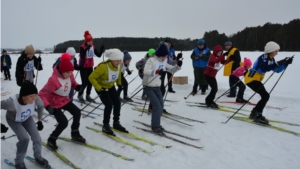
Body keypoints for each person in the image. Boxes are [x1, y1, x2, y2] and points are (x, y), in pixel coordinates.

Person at [39, 53, 85, 151]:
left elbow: (72, 83)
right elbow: (42, 94)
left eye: (71, 72)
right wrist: (47, 107)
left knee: (77, 112)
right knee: (63, 122)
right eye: (67, 72)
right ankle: (52, 139)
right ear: (62, 71)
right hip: (54, 104)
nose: (69, 74)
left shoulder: (69, 74)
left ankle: (75, 133)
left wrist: (77, 86)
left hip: (64, 100)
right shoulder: (54, 80)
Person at [1, 83, 50, 169]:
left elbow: (41, 106)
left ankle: (38, 157)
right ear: (23, 96)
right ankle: (19, 161)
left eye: (35, 95)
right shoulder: (11, 103)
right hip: (14, 120)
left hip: (27, 118)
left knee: (37, 137)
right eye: (31, 96)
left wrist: (39, 121)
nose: (34, 98)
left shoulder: (36, 99)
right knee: (24, 139)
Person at [244, 41, 293, 124]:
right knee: (265, 96)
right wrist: (278, 63)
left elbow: (276, 70)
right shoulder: (263, 57)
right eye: (276, 51)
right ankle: (257, 115)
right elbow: (264, 68)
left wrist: (285, 64)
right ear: (271, 50)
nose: (277, 53)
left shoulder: (270, 58)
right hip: (251, 79)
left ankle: (255, 113)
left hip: (256, 79)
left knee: (265, 96)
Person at [143, 44, 182, 134]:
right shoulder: (151, 60)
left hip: (157, 86)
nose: (165, 57)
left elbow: (171, 70)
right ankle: (155, 126)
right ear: (160, 55)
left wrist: (178, 66)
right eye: (164, 56)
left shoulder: (164, 62)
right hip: (148, 86)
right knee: (156, 106)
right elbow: (146, 71)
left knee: (161, 105)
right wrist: (156, 71)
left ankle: (157, 124)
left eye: (166, 56)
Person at [89, 49, 127, 136]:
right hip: (101, 87)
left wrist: (119, 84)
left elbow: (118, 75)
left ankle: (116, 122)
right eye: (117, 60)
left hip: (110, 86)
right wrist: (99, 88)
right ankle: (105, 125)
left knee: (117, 103)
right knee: (109, 104)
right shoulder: (103, 67)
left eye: (120, 60)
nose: (119, 62)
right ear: (111, 59)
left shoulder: (119, 65)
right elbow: (91, 77)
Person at [78, 30, 105, 103]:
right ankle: (80, 95)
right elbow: (82, 55)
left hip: (90, 66)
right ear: (86, 41)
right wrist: (86, 49)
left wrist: (101, 50)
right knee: (84, 83)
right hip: (83, 67)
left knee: (90, 81)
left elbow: (98, 55)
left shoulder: (93, 47)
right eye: (89, 41)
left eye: (91, 41)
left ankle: (88, 95)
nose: (91, 42)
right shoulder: (82, 47)